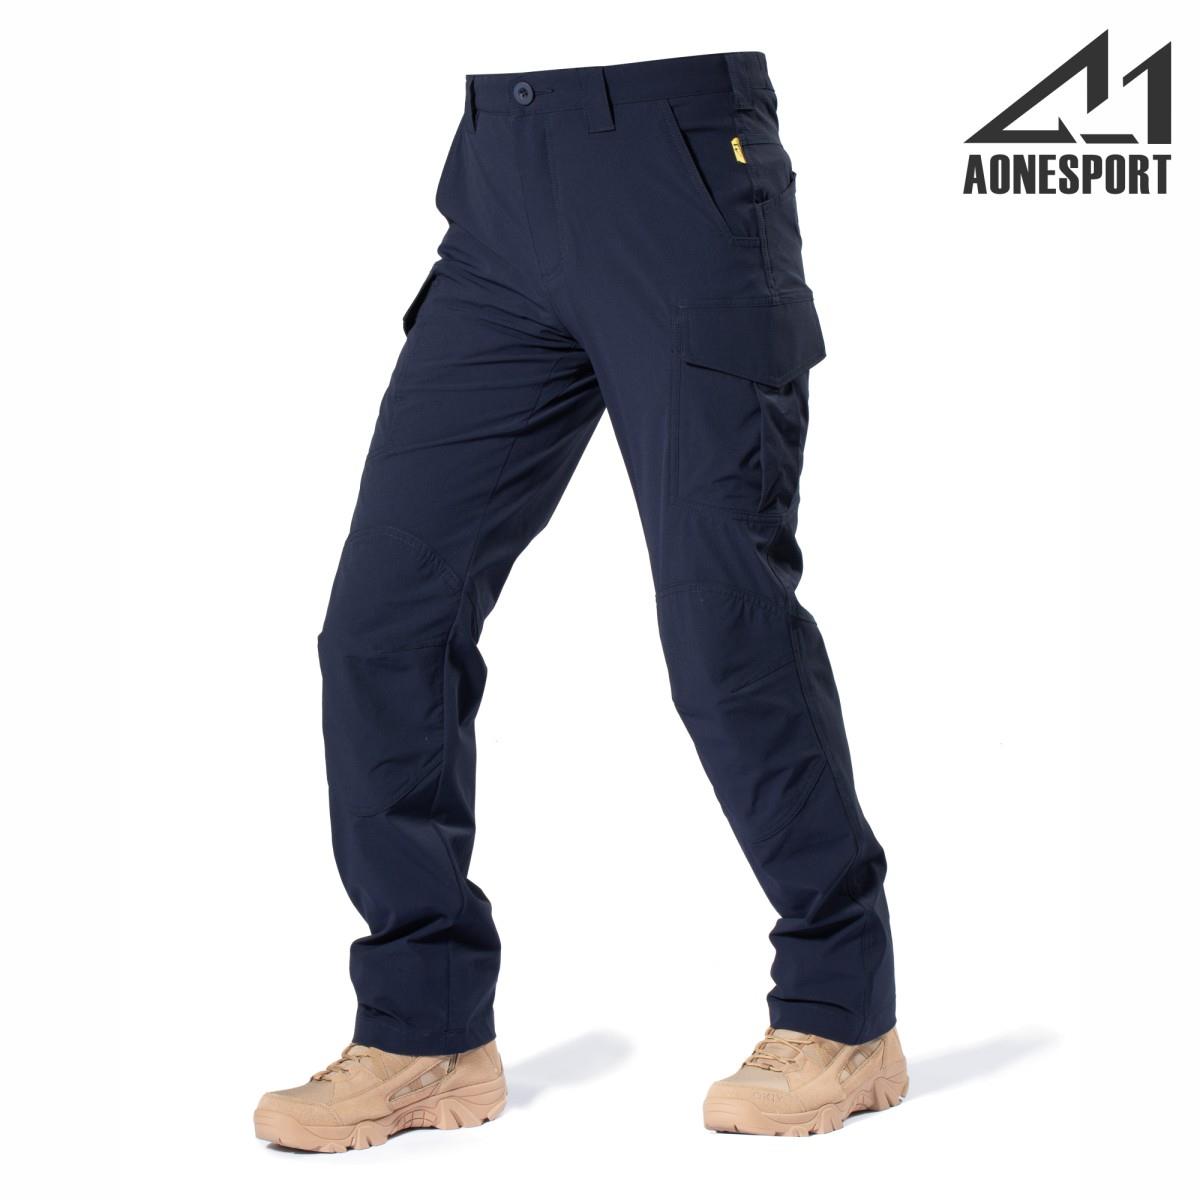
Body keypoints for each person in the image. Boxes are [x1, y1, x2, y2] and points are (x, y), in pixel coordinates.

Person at [255, 51, 903, 1151]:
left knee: (722, 628)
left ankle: (843, 1016)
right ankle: (425, 1031)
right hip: (498, 187)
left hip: (682, 173)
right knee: (382, 626)